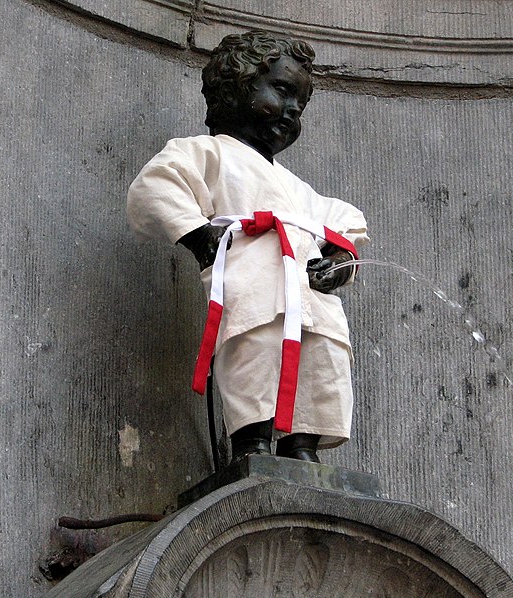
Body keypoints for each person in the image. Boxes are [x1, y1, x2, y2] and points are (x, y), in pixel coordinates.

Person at [127, 31, 368, 463]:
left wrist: (341, 260)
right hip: (254, 288)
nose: (293, 109)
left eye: (301, 103)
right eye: (282, 91)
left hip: (314, 300)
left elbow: (345, 224)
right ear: (235, 85)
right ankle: (251, 443)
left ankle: (303, 448)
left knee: (324, 364)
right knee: (254, 355)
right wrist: (198, 235)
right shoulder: (206, 153)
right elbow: (156, 187)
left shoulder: (300, 190)